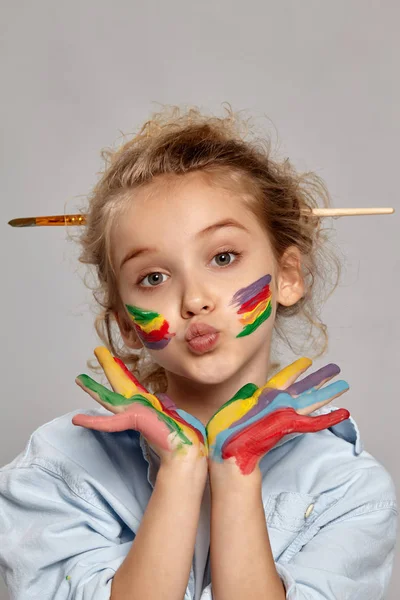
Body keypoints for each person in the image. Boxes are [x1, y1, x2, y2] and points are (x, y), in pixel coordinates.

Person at [0, 104, 397, 600]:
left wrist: (235, 471)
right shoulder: (55, 470)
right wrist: (182, 469)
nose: (193, 299)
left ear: (288, 276)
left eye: (223, 257)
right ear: (125, 322)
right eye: (153, 277)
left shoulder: (348, 490)